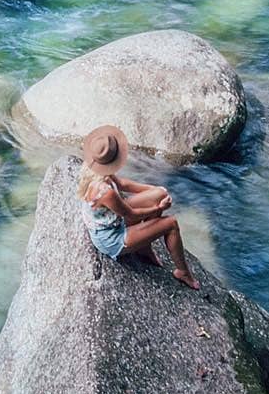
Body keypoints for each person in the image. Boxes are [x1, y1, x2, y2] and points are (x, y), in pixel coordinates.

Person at [77, 123, 200, 290]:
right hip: (112, 238)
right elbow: (132, 214)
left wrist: (154, 190)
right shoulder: (105, 192)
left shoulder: (94, 168)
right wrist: (159, 208)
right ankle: (183, 272)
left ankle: (144, 247)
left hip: (113, 220)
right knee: (171, 224)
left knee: (160, 194)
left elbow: (122, 183)